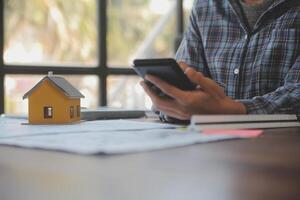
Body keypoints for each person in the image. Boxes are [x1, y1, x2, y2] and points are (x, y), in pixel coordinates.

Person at [140, 0, 300, 121]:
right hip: (211, 151)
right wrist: (172, 103)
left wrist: (235, 110)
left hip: (283, 151)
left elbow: (296, 94)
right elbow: (186, 85)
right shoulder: (205, 6)